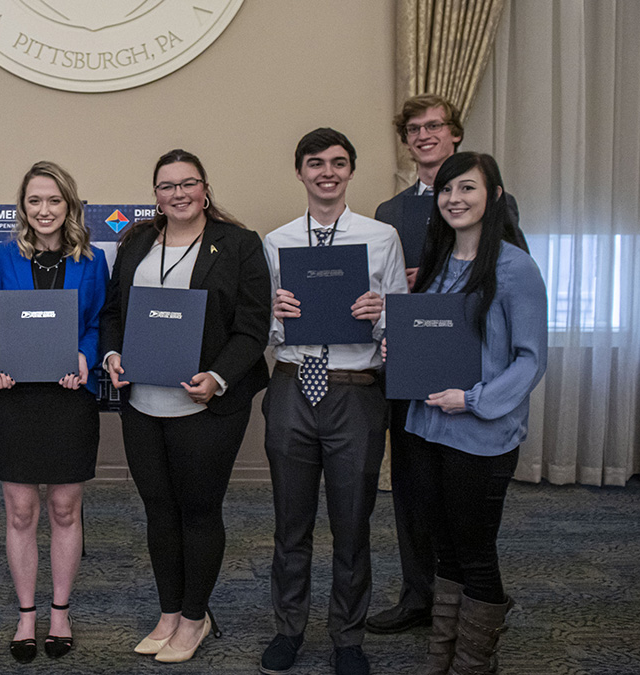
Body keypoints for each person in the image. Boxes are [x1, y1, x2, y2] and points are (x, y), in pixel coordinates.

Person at [101, 149, 271, 664]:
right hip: (143, 403)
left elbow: (253, 325)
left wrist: (218, 377)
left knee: (198, 512)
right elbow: (112, 312)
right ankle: (169, 612)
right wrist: (111, 353)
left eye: (188, 183)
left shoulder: (239, 245)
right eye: (166, 185)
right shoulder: (135, 243)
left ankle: (195, 617)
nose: (178, 193)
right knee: (158, 512)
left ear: (204, 188)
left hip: (207, 404)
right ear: (155, 194)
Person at [369, 95, 529, 636]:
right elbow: (393, 296)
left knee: (468, 529)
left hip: (474, 400)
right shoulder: (392, 214)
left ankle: (468, 625)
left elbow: (515, 315)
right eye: (413, 129)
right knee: (418, 503)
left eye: (434, 125)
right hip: (418, 392)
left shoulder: (504, 234)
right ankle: (425, 603)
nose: (424, 135)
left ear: (454, 133)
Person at [390, 152, 546, 674]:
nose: (454, 199)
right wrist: (401, 351)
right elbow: (433, 340)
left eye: (468, 189)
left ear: (494, 197)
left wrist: (474, 400)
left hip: (481, 435)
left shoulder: (514, 266)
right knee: (444, 552)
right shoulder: (437, 262)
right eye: (446, 190)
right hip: (427, 429)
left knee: (475, 551)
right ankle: (444, 655)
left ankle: (475, 663)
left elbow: (530, 359)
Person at [259, 129, 406, 675]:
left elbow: (402, 323)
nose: (327, 172)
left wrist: (380, 314)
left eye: (339, 163)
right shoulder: (275, 242)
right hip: (294, 385)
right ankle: (288, 629)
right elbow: (266, 335)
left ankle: (348, 636)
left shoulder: (382, 237)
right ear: (299, 171)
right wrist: (277, 313)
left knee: (352, 524)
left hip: (356, 393)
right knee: (290, 523)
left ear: (350, 171)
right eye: (316, 163)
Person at [0, 161, 108, 664]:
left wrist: (87, 356)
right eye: (34, 201)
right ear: (23, 207)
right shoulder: (2, 256)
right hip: (14, 398)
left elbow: (98, 322)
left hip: (69, 396)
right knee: (19, 511)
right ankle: (26, 615)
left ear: (69, 205)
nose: (44, 210)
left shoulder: (94, 259)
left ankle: (60, 612)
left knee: (63, 509)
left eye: (54, 200)